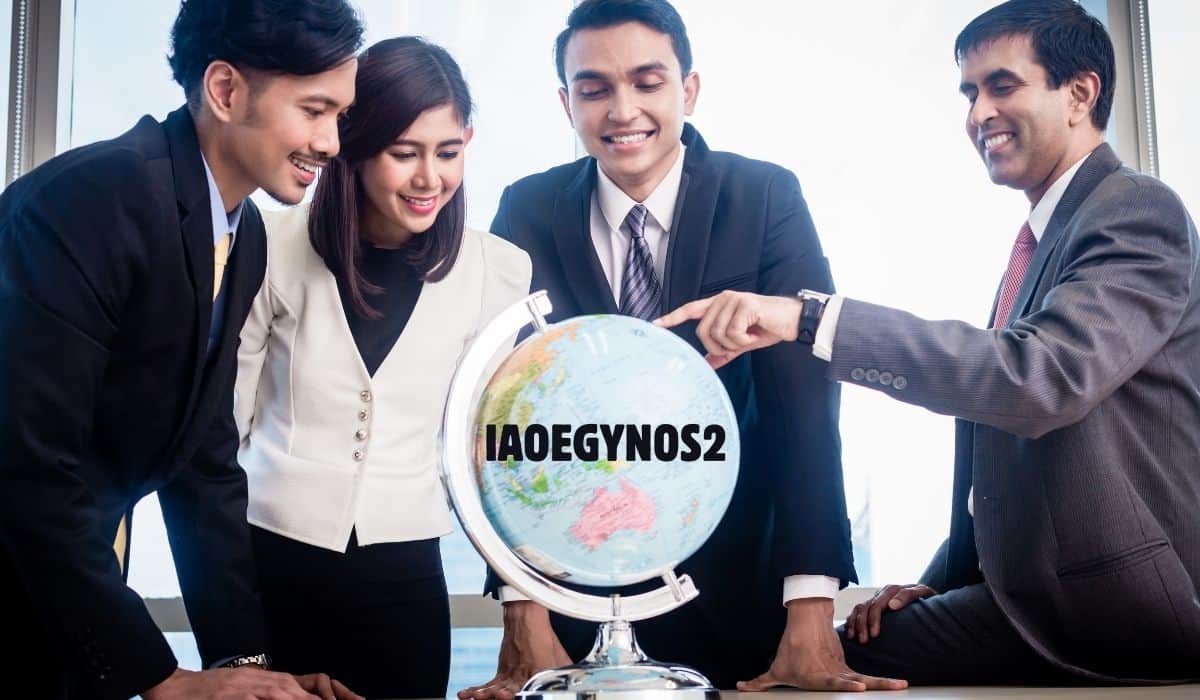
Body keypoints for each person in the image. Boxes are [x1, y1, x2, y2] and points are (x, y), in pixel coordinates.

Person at [658, 0, 1200, 686]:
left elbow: (1036, 381)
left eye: (1001, 86)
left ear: (1079, 94)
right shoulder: (1045, 241)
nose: (978, 113)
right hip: (1039, 596)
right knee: (815, 651)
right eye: (970, 93)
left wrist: (809, 318)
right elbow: (1005, 469)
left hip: (1120, 608)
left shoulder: (1135, 210)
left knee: (809, 661)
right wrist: (939, 582)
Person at [460, 0, 904, 694]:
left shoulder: (763, 196)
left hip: (739, 595)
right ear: (566, 103)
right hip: (576, 603)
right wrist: (524, 610)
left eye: (647, 82)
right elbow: (501, 414)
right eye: (594, 89)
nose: (622, 110)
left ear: (688, 90)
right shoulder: (528, 208)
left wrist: (811, 611)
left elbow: (804, 405)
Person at [0, 1, 364, 698]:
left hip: (74, 600)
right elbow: (29, 467)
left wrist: (245, 667)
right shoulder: (92, 199)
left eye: (340, 116)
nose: (331, 142)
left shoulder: (243, 235)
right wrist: (164, 679)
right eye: (315, 110)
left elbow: (204, 461)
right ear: (225, 90)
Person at [234, 37, 532, 699]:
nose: (430, 178)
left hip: (406, 584)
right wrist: (234, 645)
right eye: (404, 152)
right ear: (355, 145)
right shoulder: (270, 244)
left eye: (448, 152)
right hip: (268, 568)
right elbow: (220, 439)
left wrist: (522, 599)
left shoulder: (498, 272)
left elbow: (496, 457)